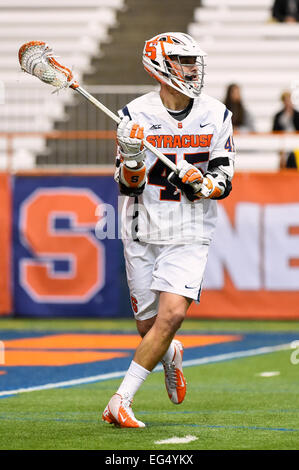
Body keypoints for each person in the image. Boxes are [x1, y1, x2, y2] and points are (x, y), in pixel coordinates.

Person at [102, 32, 236, 428]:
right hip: (141, 228)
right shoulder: (133, 115)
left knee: (171, 315)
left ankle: (119, 400)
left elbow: (224, 179)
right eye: (184, 61)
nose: (193, 69)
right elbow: (128, 185)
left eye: (195, 61)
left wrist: (204, 182)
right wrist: (131, 159)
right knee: (149, 329)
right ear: (161, 66)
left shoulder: (216, 113)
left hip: (190, 229)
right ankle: (170, 355)